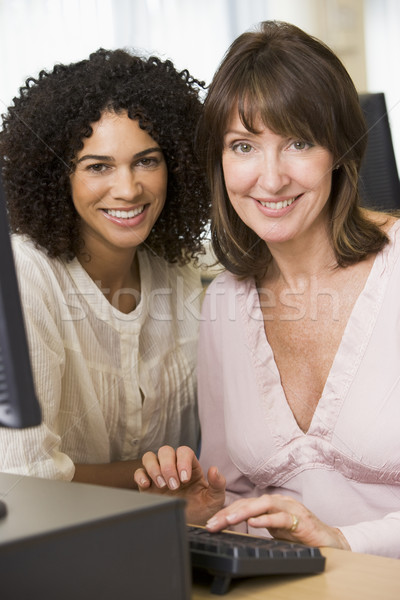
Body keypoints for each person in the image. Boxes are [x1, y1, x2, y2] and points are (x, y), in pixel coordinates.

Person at [134, 21, 400, 558]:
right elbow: (238, 490)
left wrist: (344, 541)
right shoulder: (225, 303)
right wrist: (209, 509)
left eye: (298, 142)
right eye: (244, 146)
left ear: (342, 151)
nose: (271, 178)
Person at [0, 48, 210, 488]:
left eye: (147, 161)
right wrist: (155, 485)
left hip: (168, 537)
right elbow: (24, 478)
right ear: (58, 178)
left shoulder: (179, 272)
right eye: (98, 167)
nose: (128, 189)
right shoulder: (24, 277)